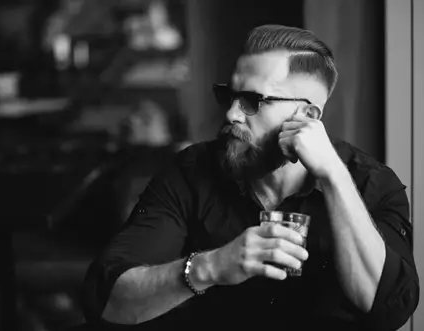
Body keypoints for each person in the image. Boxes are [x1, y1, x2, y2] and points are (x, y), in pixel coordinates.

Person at [82, 24, 419, 330]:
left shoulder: (370, 184)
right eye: (230, 96)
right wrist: (209, 267)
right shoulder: (190, 172)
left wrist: (333, 177)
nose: (230, 113)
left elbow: (388, 310)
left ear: (307, 115)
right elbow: (107, 299)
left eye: (253, 101)